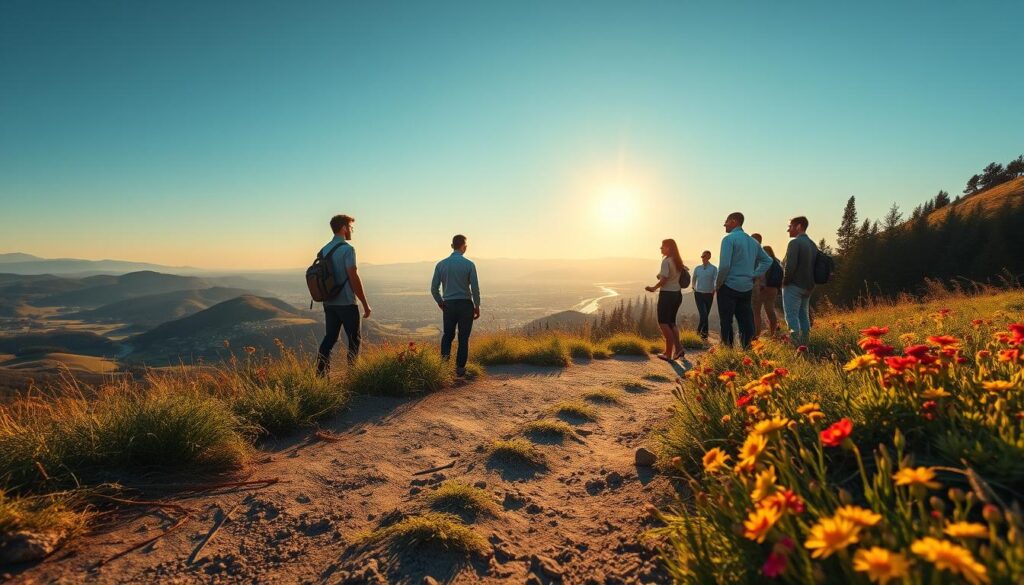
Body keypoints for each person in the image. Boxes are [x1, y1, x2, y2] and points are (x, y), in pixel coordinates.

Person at [316, 214, 372, 376]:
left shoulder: (324, 250)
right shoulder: (348, 249)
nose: (351, 231)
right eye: (350, 227)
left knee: (330, 339)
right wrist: (365, 304)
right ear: (343, 228)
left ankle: (320, 375)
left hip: (329, 302)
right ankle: (353, 376)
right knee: (354, 340)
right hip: (347, 302)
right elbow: (353, 276)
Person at [715, 212, 772, 349]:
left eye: (726, 222)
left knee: (726, 321)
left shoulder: (728, 239)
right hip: (746, 287)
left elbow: (724, 266)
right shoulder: (753, 242)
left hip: (728, 286)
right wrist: (754, 274)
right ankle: (747, 351)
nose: (725, 225)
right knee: (745, 321)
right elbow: (767, 260)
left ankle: (728, 352)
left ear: (734, 221)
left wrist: (718, 284)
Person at [431, 234, 481, 376]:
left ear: (452, 246)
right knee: (463, 337)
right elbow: (475, 289)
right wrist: (477, 305)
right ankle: (460, 369)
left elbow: (434, 288)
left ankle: (444, 368)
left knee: (448, 335)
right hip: (466, 305)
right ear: (464, 247)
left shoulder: (441, 265)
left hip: (449, 305)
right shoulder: (469, 265)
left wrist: (441, 302)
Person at [645, 239, 686, 361]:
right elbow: (673, 276)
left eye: (663, 247)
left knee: (663, 323)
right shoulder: (678, 261)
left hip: (667, 295)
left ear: (669, 248)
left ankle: (668, 354)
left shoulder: (666, 261)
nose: (661, 249)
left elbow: (664, 280)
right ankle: (678, 349)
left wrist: (653, 288)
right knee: (671, 322)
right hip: (677, 294)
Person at [782, 216, 817, 345]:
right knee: (804, 315)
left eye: (790, 226)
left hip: (794, 285)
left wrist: (785, 282)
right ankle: (805, 343)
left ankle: (796, 345)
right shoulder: (812, 244)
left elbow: (790, 266)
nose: (788, 230)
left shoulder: (794, 243)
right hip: (808, 287)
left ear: (799, 226)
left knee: (791, 317)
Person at [755, 245, 782, 337]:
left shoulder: (764, 262)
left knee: (756, 311)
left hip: (763, 288)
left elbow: (760, 276)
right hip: (773, 289)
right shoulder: (777, 262)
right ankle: (773, 333)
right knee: (770, 310)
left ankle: (756, 335)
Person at [691, 250, 717, 341]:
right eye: (702, 256)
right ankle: (700, 334)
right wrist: (693, 287)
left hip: (709, 294)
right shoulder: (697, 268)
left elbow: (715, 280)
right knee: (704, 314)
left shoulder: (713, 268)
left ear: (709, 257)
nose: (703, 258)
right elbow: (694, 278)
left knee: (705, 315)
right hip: (698, 294)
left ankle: (702, 335)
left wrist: (714, 289)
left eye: (704, 256)